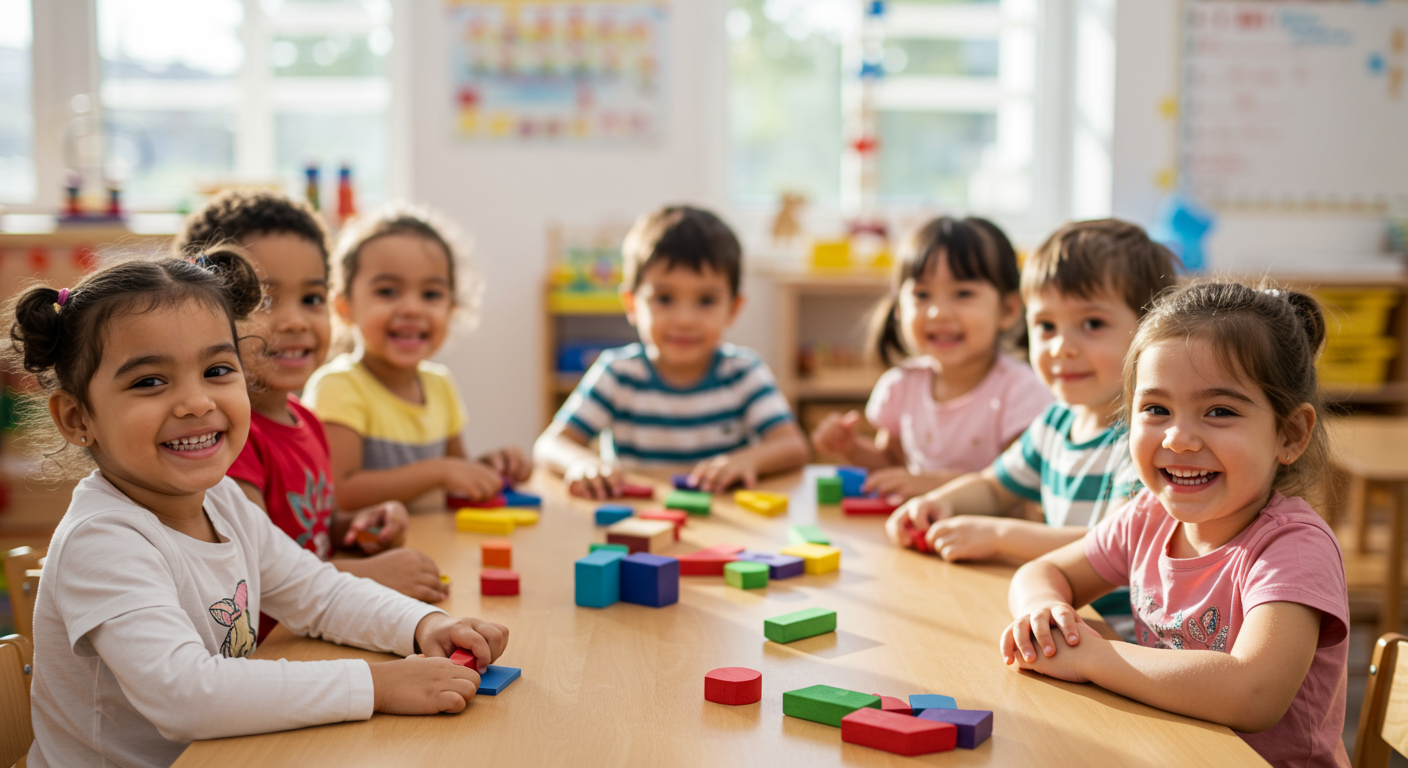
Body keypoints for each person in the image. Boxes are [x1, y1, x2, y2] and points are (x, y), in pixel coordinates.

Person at [8, 251, 509, 768]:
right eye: (149, 381)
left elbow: (318, 593)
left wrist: (421, 625)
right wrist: (376, 684)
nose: (196, 402)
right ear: (75, 417)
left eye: (217, 370)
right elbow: (185, 697)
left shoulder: (221, 499)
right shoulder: (103, 540)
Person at [1000, 282, 1348, 768]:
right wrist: (1044, 612)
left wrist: (1093, 658)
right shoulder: (1147, 516)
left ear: (1289, 435)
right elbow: (1043, 572)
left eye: (1220, 411)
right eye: (1156, 409)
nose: (1179, 438)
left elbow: (1253, 694)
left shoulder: (1291, 548)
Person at [177, 191, 447, 616]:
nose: (296, 321)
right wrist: (368, 575)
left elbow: (311, 532)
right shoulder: (224, 439)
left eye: (312, 298)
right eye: (264, 300)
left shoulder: (306, 420)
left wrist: (356, 527)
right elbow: (254, 574)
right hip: (268, 650)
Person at [886, 219, 1178, 562]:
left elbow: (1112, 546)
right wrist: (939, 503)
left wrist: (999, 537)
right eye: (1046, 326)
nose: (1060, 348)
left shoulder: (1145, 439)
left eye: (1092, 324)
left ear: (1150, 331)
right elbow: (994, 488)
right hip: (1057, 603)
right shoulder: (1055, 422)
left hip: (1115, 617)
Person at [534, 205, 808, 498]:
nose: (684, 320)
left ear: (733, 309)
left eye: (706, 300)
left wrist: (746, 461)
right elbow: (550, 445)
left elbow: (792, 446)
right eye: (664, 299)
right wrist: (582, 462)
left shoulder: (743, 373)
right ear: (631, 304)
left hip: (725, 524)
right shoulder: (617, 373)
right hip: (635, 522)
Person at [303, 204, 531, 511]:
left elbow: (454, 476)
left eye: (431, 294)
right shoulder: (337, 386)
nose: (412, 309)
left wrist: (488, 468)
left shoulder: (440, 384)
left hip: (435, 545)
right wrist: (441, 471)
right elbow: (340, 492)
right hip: (366, 553)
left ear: (452, 309)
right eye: (387, 291)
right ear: (345, 307)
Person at [811, 216, 1050, 501]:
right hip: (916, 531)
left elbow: (1018, 485)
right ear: (899, 307)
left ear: (1008, 309)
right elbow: (893, 466)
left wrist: (933, 484)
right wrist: (850, 448)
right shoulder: (901, 385)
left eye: (963, 293)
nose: (938, 313)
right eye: (922, 294)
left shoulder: (1021, 391)